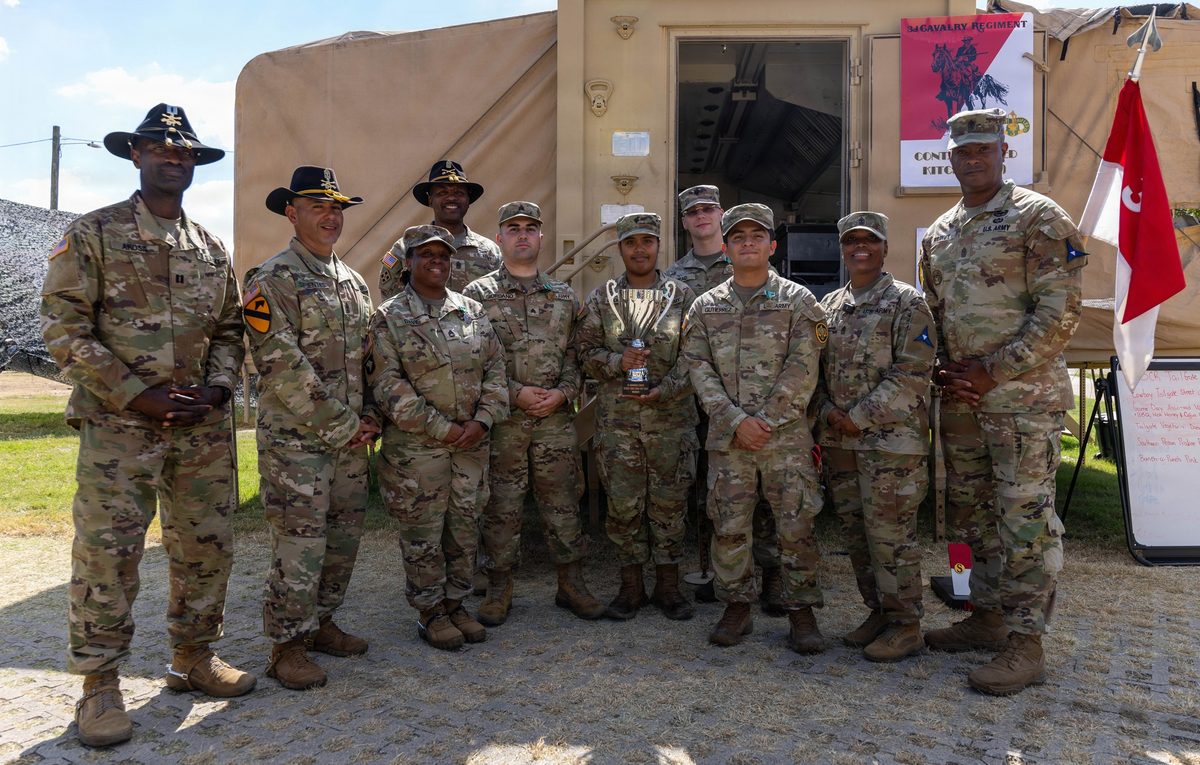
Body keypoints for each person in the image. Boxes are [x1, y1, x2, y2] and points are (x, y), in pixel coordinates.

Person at [40, 104, 253, 748]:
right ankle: (99, 686)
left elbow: (230, 328)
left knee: (205, 546)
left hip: (200, 431)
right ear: (135, 155)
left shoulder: (211, 247)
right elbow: (64, 329)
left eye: (185, 151)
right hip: (118, 430)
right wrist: (139, 395)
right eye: (160, 147)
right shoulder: (94, 234)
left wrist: (218, 387)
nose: (173, 157)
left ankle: (193, 657)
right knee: (109, 554)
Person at [919, 107, 1086, 695]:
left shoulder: (1039, 218)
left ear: (1002, 152)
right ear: (950, 156)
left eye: (983, 150)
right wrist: (942, 369)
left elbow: (1060, 311)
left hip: (1020, 399)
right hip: (963, 402)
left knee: (1025, 519)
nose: (972, 159)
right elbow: (935, 313)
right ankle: (983, 616)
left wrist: (993, 371)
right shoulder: (941, 231)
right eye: (962, 151)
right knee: (967, 516)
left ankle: (1026, 643)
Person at [244, 166, 379, 689]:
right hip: (298, 443)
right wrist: (342, 422)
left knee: (343, 537)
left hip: (348, 441)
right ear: (290, 212)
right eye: (318, 206)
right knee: (300, 543)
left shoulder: (351, 281)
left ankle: (322, 624)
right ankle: (286, 646)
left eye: (337, 207)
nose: (330, 216)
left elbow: (368, 359)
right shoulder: (272, 278)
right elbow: (278, 361)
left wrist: (368, 416)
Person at [681, 203, 829, 651]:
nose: (748, 242)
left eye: (756, 236)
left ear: (772, 246)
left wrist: (764, 420)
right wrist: (734, 420)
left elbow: (805, 368)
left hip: (784, 439)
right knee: (729, 525)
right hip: (729, 441)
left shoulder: (799, 302)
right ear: (725, 248)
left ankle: (800, 613)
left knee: (796, 526)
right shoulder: (705, 306)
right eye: (739, 236)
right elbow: (697, 367)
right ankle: (737, 607)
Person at [462, 202, 605, 625]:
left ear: (541, 237)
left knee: (563, 501)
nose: (523, 235)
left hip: (554, 422)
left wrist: (562, 394)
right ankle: (499, 587)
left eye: (530, 228)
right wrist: (514, 393)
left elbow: (577, 356)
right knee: (501, 505)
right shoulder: (476, 296)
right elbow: (472, 361)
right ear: (500, 238)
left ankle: (571, 584)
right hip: (504, 421)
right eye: (513, 228)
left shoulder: (562, 296)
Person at [368, 225, 508, 650]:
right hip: (418, 453)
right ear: (408, 263)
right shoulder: (388, 317)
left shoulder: (471, 310)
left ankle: (456, 603)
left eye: (443, 256)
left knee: (464, 530)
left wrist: (482, 421)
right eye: (425, 255)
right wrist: (444, 429)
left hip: (470, 448)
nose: (436, 262)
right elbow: (388, 387)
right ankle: (430, 612)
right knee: (423, 534)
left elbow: (496, 370)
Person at [811, 211, 936, 662]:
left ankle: (906, 623)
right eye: (851, 242)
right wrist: (827, 412)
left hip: (890, 445)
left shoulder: (907, 303)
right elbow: (815, 373)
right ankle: (878, 611)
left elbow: (913, 372)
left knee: (891, 535)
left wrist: (858, 417)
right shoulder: (829, 307)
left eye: (869, 241)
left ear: (885, 248)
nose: (859, 248)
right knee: (857, 532)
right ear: (843, 249)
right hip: (842, 444)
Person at [665, 185, 784, 614]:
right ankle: (723, 575)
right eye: (692, 212)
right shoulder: (672, 278)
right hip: (697, 401)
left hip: (755, 403)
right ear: (684, 222)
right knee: (714, 494)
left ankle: (772, 576)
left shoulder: (748, 259)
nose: (701, 217)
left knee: (768, 497)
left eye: (708, 209)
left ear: (720, 215)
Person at [575, 212, 699, 621]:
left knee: (670, 504)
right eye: (631, 243)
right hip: (619, 425)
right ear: (621, 249)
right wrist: (617, 360)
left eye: (647, 241)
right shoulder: (602, 298)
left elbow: (696, 359)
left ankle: (668, 585)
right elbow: (584, 355)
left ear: (658, 246)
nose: (639, 250)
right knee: (623, 506)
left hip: (671, 421)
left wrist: (667, 389)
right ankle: (630, 586)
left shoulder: (682, 298)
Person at [378, 160, 501, 299]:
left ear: (468, 200)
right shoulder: (405, 247)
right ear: (430, 200)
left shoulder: (490, 251)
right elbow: (389, 299)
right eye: (442, 192)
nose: (452, 198)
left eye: (459, 193)